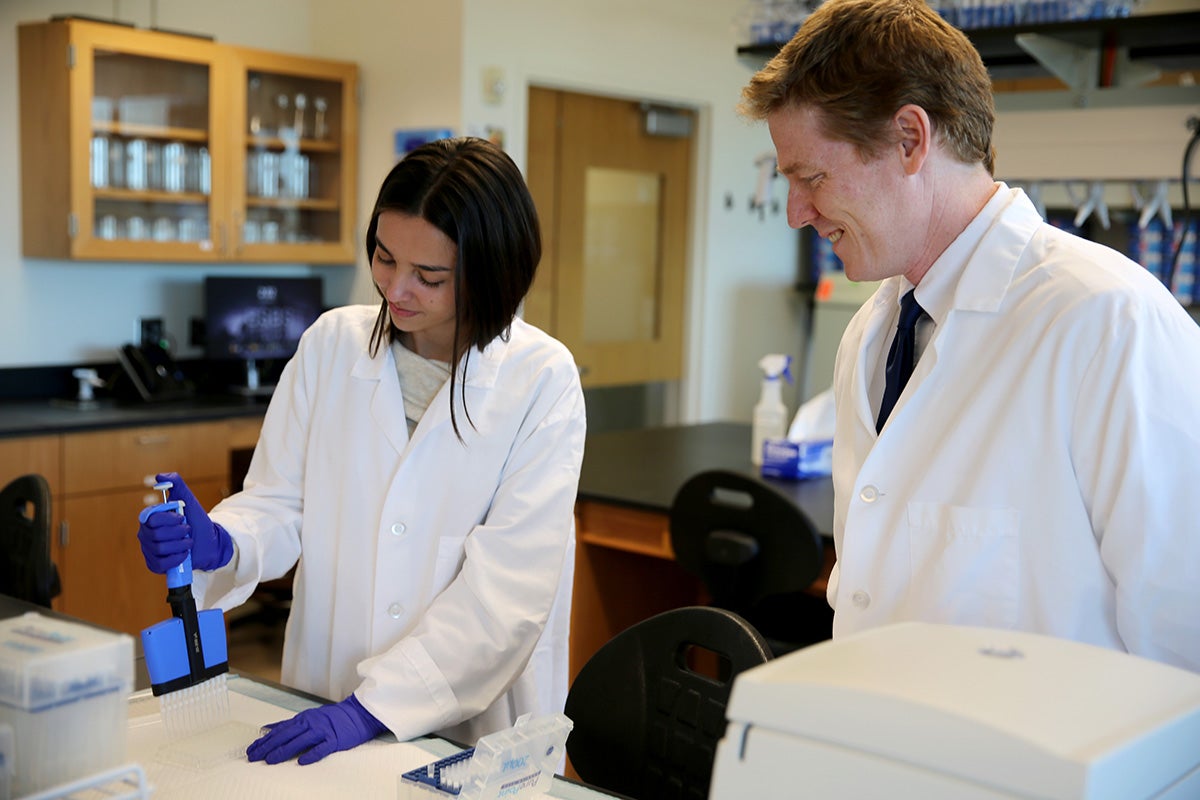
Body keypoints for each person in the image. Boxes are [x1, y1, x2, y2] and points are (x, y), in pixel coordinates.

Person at [739, 0, 1200, 672]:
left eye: (813, 178)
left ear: (909, 139)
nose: (796, 213)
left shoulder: (1108, 323)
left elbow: (1183, 634)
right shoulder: (872, 333)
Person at [136, 137, 587, 763]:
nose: (397, 289)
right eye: (383, 257)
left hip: (470, 734)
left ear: (491, 273)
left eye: (429, 277)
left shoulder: (541, 379)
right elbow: (279, 501)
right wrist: (224, 541)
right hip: (321, 696)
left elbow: (508, 592)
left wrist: (375, 706)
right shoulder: (332, 345)